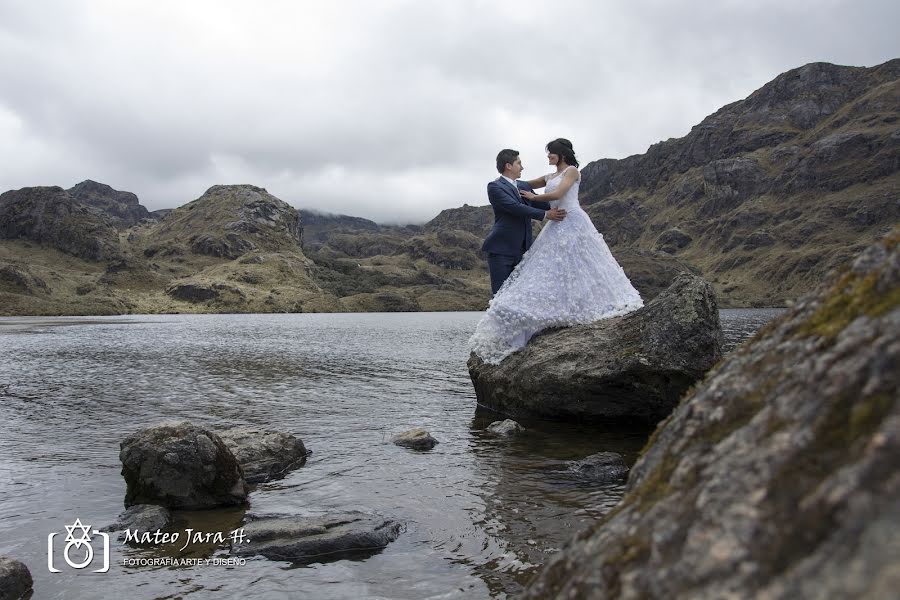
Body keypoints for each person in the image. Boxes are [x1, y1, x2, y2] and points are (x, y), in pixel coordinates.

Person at [469, 138, 644, 364]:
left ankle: (576, 308)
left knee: (578, 265)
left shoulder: (571, 171)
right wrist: (535, 202)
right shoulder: (516, 183)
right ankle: (509, 332)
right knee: (549, 270)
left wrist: (535, 198)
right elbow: (520, 190)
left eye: (550, 153)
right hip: (540, 230)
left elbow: (556, 195)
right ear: (509, 166)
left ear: (560, 154)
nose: (548, 157)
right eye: (519, 163)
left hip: (571, 220)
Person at [482, 148, 568, 296]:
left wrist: (566, 198)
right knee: (500, 296)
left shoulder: (524, 186)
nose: (522, 167)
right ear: (509, 166)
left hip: (524, 251)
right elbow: (515, 207)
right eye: (519, 163)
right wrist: (546, 215)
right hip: (501, 250)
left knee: (520, 296)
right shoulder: (495, 187)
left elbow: (542, 203)